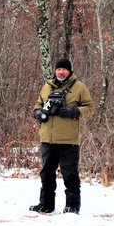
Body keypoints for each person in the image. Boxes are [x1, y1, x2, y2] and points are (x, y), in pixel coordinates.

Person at [29, 58, 94, 214]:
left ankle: (72, 206)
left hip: (68, 139)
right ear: (55, 71)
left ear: (69, 71)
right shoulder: (47, 87)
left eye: (64, 69)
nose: (61, 72)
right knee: (46, 174)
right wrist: (39, 114)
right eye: (59, 69)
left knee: (70, 174)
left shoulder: (79, 87)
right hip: (47, 138)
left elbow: (89, 108)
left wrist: (74, 112)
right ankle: (45, 204)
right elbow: (37, 106)